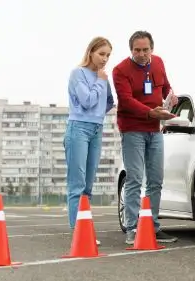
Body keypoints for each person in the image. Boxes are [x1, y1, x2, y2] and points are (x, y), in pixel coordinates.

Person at [112, 30, 179, 245]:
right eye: (137, 50)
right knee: (134, 179)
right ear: (131, 50)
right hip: (133, 129)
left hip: (155, 129)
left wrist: (172, 96)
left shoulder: (158, 62)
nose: (141, 54)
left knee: (156, 180)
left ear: (152, 49)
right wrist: (150, 113)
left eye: (145, 50)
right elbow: (126, 100)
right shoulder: (120, 70)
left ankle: (153, 225)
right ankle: (132, 228)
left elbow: (166, 86)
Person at [64, 36, 115, 246]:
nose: (105, 59)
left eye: (108, 55)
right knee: (77, 183)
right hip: (78, 128)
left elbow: (110, 102)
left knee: (88, 184)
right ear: (91, 52)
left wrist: (98, 115)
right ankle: (79, 231)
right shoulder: (78, 74)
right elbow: (87, 101)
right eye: (101, 54)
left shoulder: (104, 78)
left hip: (97, 128)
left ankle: (84, 227)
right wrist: (100, 83)